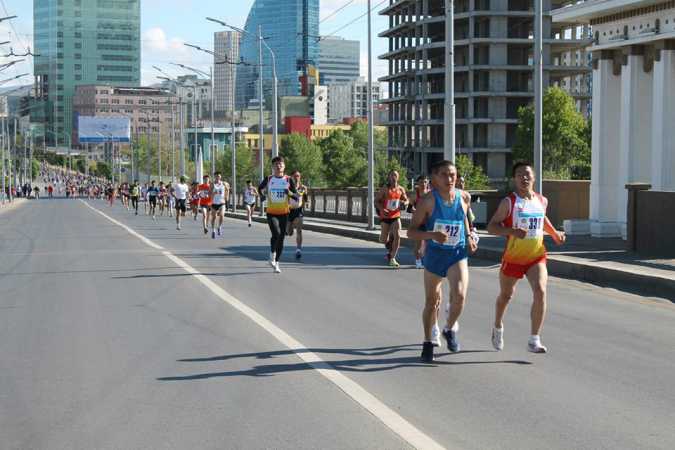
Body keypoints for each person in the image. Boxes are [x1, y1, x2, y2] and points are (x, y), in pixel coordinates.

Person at [487, 161, 566, 354]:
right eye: (520, 175)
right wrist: (512, 231)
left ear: (534, 177)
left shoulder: (542, 200)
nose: (524, 178)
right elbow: (491, 227)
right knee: (506, 295)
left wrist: (555, 233)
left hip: (536, 256)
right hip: (513, 257)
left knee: (540, 290)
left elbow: (541, 219)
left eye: (528, 174)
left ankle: (534, 339)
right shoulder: (509, 202)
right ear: (514, 179)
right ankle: (497, 326)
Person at [407, 160, 478, 363]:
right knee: (432, 302)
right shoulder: (428, 201)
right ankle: (428, 341)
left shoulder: (464, 197)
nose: (450, 179)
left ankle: (448, 328)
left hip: (456, 252)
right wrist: (432, 235)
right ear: (434, 179)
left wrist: (470, 236)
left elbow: (463, 218)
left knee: (460, 295)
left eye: (453, 175)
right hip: (435, 254)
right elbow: (412, 231)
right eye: (445, 175)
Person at [258, 156, 298, 273]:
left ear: (284, 166)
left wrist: (289, 193)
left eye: (281, 164)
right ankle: (272, 253)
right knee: (276, 233)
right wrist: (262, 195)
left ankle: (277, 263)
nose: (279, 166)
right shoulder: (269, 179)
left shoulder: (288, 179)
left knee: (281, 238)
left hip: (284, 213)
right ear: (273, 167)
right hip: (271, 213)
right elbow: (260, 188)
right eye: (276, 164)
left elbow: (296, 196)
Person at [375, 170, 409, 268]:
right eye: (392, 175)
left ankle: (393, 258)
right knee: (383, 239)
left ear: (398, 177)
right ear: (389, 177)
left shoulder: (401, 189)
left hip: (396, 215)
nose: (393, 177)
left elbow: (406, 199)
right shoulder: (385, 189)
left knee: (398, 234)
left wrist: (405, 203)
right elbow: (376, 201)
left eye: (395, 175)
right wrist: (382, 209)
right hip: (385, 216)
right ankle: (389, 243)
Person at [286, 170, 309, 260]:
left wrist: (306, 202)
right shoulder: (287, 187)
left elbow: (305, 198)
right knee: (290, 232)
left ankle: (298, 249)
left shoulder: (303, 187)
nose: (296, 178)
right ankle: (287, 230)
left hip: (298, 211)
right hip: (289, 211)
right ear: (291, 177)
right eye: (295, 176)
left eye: (298, 176)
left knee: (299, 230)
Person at [409, 175, 430, 269]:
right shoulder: (415, 194)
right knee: (418, 243)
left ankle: (426, 259)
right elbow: (409, 208)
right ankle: (418, 261)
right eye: (421, 182)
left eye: (425, 182)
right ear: (418, 183)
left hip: (429, 222)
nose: (423, 184)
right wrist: (414, 210)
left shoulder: (431, 193)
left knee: (429, 243)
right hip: (418, 222)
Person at [209, 172, 229, 239]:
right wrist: (213, 193)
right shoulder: (212, 184)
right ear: (214, 177)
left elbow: (227, 190)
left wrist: (226, 197)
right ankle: (213, 230)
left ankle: (219, 227)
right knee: (214, 217)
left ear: (220, 177)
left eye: (219, 176)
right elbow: (209, 194)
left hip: (221, 202)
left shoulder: (224, 183)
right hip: (214, 203)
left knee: (222, 215)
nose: (217, 177)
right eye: (216, 176)